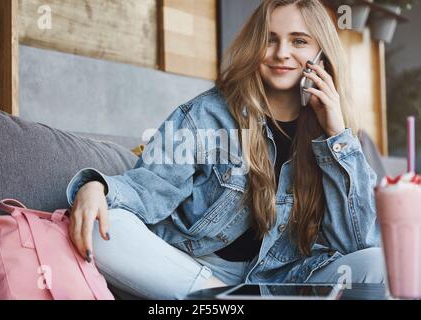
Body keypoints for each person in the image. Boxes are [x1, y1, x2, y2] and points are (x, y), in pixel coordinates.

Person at [66, 0, 385, 300]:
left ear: (322, 55)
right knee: (102, 229)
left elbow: (358, 242)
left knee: (378, 265)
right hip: (197, 269)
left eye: (299, 41)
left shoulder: (337, 137)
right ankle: (228, 299)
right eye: (270, 39)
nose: (282, 53)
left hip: (285, 280)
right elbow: (151, 188)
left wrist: (336, 135)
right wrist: (99, 187)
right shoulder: (207, 114)